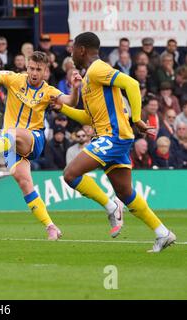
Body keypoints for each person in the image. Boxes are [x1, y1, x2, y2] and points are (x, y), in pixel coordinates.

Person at [54, 32, 175, 252]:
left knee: (70, 174)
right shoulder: (90, 78)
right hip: (113, 138)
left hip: (113, 136)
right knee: (125, 192)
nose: (71, 54)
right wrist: (63, 108)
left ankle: (111, 207)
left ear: (82, 49)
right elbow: (89, 118)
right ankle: (163, 233)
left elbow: (132, 84)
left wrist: (137, 118)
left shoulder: (98, 69)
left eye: (72, 49)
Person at [0, 50, 82, 240]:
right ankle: (51, 227)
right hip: (11, 145)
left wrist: (76, 88)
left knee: (13, 132)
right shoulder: (14, 79)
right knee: (25, 184)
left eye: (39, 69)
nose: (34, 73)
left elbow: (71, 101)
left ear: (46, 71)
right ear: (27, 67)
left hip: (33, 139)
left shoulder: (49, 92)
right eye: (31, 68)